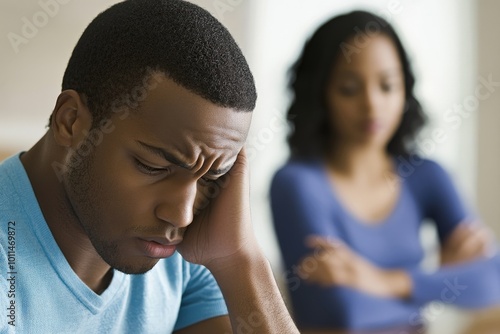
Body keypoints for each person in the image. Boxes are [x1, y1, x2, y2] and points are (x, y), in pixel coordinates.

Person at [0, 1, 300, 333]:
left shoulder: (183, 257)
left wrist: (238, 260)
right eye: (153, 166)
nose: (182, 215)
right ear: (71, 122)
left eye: (211, 178)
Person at [270, 10, 500, 332]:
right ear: (319, 93)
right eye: (349, 89)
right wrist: (441, 282)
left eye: (388, 85)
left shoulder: (427, 176)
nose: (372, 105)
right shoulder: (296, 183)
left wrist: (377, 280)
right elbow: (343, 313)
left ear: (406, 88)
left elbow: (493, 282)